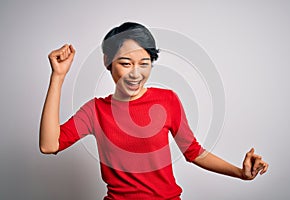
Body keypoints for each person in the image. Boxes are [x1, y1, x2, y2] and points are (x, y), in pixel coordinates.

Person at [39, 22, 268, 200]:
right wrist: (58, 77)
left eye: (144, 63)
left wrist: (240, 173)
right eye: (126, 63)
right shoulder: (95, 111)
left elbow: (194, 152)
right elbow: (49, 145)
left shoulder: (167, 100)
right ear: (107, 61)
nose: (135, 73)